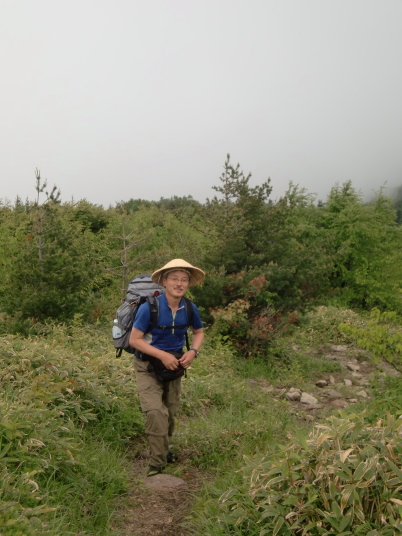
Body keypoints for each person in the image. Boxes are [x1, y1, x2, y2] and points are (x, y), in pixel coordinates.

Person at [129, 259, 205, 477]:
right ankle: (157, 463)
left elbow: (198, 332)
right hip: (148, 366)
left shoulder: (190, 308)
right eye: (174, 279)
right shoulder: (148, 308)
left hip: (174, 366)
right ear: (164, 281)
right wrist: (162, 355)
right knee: (156, 412)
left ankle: (164, 448)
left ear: (188, 284)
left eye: (184, 280)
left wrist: (193, 352)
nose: (179, 283)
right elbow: (135, 339)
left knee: (170, 413)